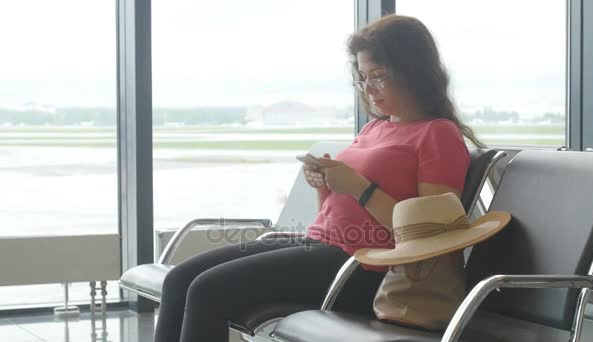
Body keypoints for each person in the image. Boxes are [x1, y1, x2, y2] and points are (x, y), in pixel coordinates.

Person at [153, 14, 484, 342]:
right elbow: (338, 212)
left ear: (412, 72)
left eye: (378, 77)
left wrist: (357, 186)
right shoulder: (374, 128)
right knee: (179, 280)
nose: (368, 90)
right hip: (320, 245)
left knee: (207, 290)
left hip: (362, 267)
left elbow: (430, 239)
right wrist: (325, 184)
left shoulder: (438, 135)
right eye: (363, 78)